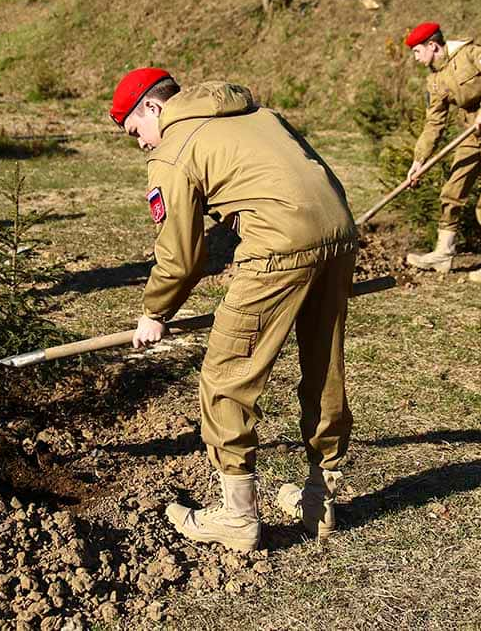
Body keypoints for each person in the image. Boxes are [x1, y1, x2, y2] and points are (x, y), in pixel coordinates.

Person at [110, 68, 359, 551]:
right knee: (324, 364)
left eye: (135, 131)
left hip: (279, 245)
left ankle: (238, 519)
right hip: (339, 232)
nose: (140, 144)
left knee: (227, 377)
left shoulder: (175, 150)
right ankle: (319, 499)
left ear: (153, 109)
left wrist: (154, 312)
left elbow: (183, 258)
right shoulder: (258, 113)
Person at [402, 21, 481, 283]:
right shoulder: (435, 78)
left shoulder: (472, 54)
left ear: (433, 46)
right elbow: (434, 123)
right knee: (452, 189)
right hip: (471, 132)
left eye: (417, 51)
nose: (416, 57)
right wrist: (419, 160)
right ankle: (444, 253)